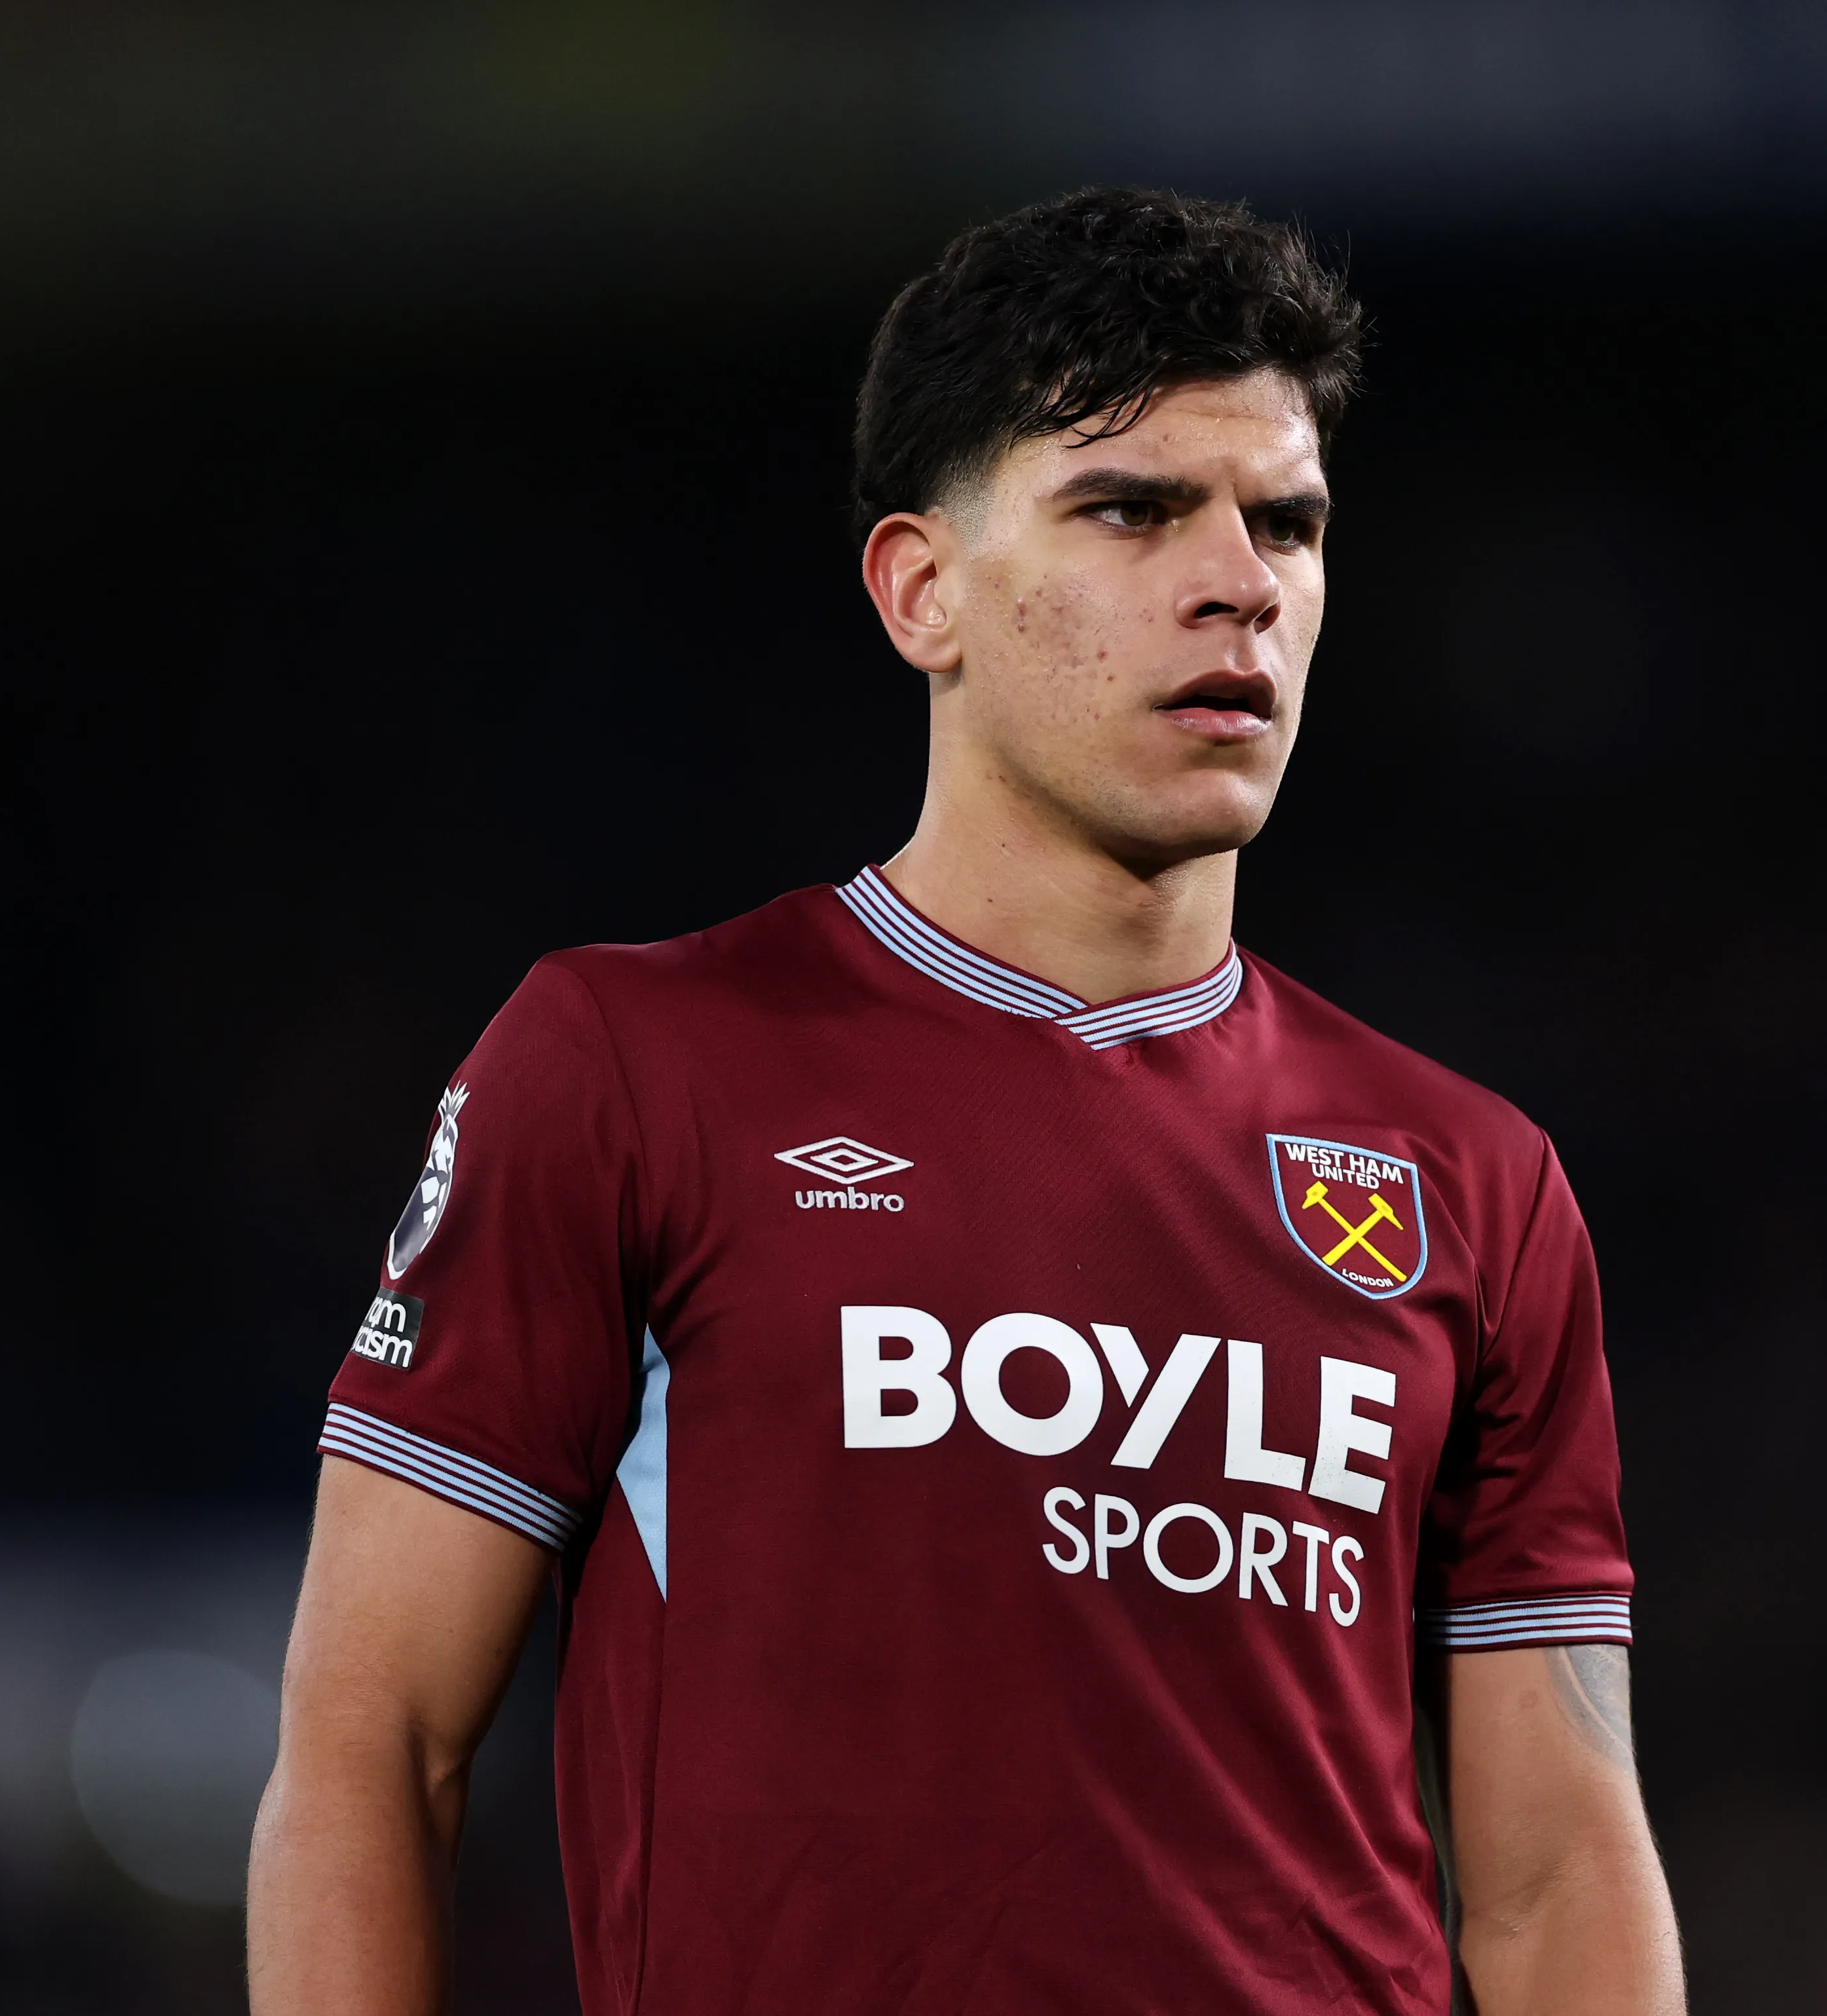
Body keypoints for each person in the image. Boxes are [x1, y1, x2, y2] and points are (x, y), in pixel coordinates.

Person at [247, 187, 1684, 2016]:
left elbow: (1560, 1868)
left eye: (1287, 523)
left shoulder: (1472, 1181)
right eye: (1133, 508)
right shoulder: (633, 1065)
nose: (1240, 578)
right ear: (923, 590)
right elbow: (375, 1738)